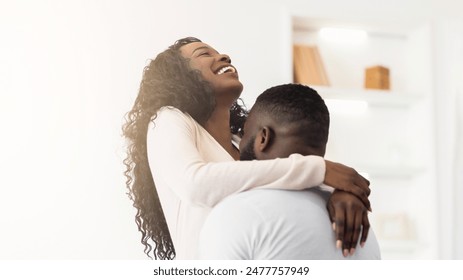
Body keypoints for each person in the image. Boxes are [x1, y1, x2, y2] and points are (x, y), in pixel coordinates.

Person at [122, 37, 371, 260]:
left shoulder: (244, 143)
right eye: (203, 54)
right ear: (179, 77)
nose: (223, 56)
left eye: (219, 52)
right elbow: (196, 184)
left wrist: (339, 192)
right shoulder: (168, 119)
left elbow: (285, 183)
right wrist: (318, 170)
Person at [199, 84, 381, 259]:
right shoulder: (360, 229)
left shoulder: (236, 214)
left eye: (245, 132)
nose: (240, 141)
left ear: (263, 137)